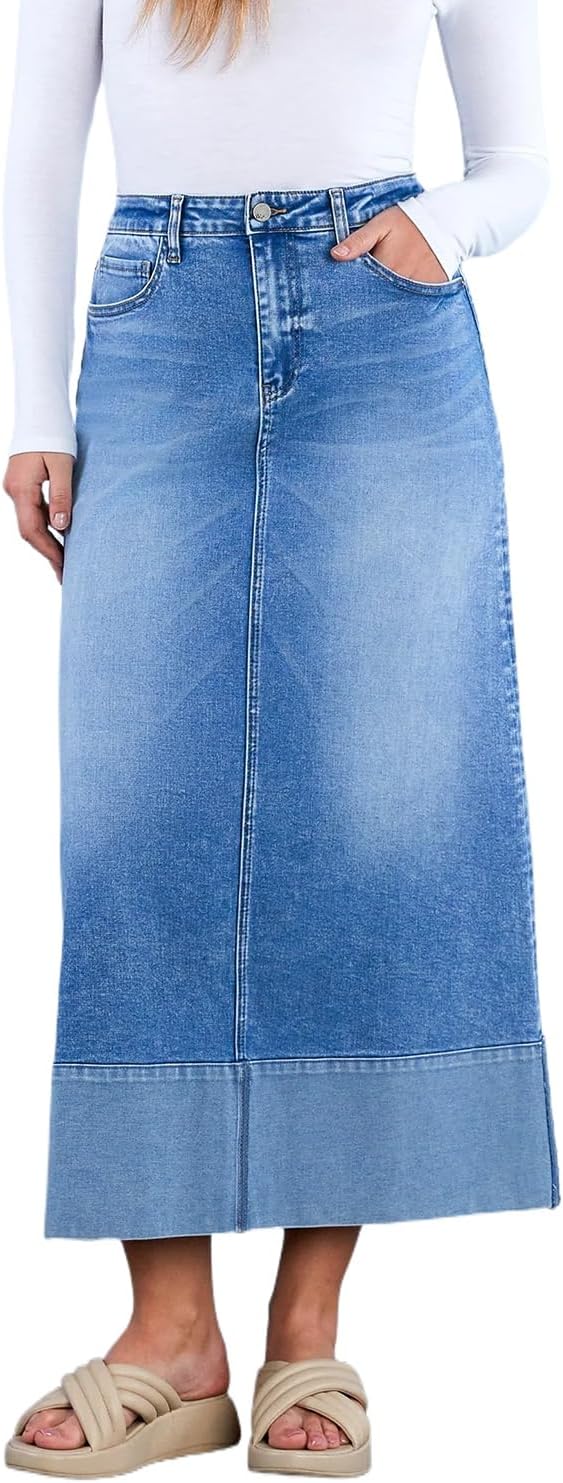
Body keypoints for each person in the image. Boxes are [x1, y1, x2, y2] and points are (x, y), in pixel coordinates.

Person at [3, 0, 559, 1476]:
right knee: (138, 811)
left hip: (382, 324)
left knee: (373, 807)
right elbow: (38, 139)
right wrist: (31, 408)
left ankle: (308, 1324)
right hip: (155, 318)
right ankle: (171, 1335)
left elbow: (522, 159)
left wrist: (440, 229)